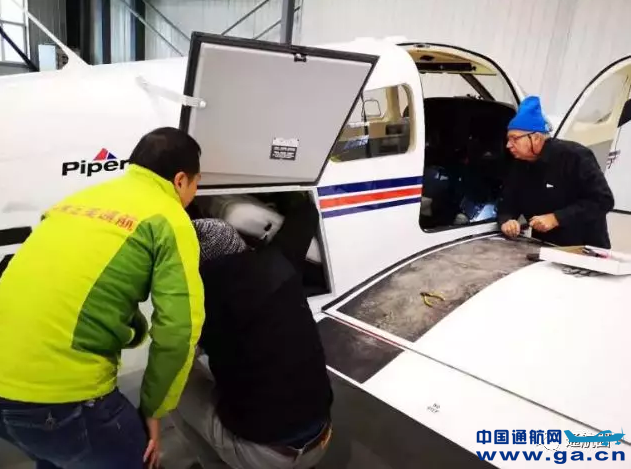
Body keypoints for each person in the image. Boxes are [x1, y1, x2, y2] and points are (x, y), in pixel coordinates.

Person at [0, 127, 205, 469]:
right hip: (62, 400)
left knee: (56, 454)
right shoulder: (169, 218)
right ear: (180, 180)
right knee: (137, 456)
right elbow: (178, 332)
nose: (195, 193)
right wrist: (155, 410)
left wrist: (130, 327)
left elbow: (66, 283)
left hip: (9, 392)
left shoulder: (75, 201)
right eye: (197, 183)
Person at [175, 195, 333, 469]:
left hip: (265, 456)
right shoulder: (281, 261)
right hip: (323, 436)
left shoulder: (199, 309)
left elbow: (172, 356)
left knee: (173, 383)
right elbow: (306, 213)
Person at [498, 96, 615, 248]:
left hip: (585, 248)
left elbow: (603, 200)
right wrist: (507, 220)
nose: (508, 145)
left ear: (536, 138)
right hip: (543, 247)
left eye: (514, 139)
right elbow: (507, 202)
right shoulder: (519, 164)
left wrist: (556, 218)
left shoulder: (575, 156)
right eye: (508, 139)